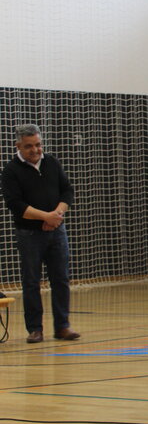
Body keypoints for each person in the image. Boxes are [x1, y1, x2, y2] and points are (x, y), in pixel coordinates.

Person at [2, 123, 78, 343]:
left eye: (38, 144)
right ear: (18, 146)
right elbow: (15, 204)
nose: (35, 150)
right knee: (31, 282)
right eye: (29, 146)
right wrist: (45, 217)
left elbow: (67, 191)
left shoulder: (52, 162)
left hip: (57, 230)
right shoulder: (11, 171)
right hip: (29, 235)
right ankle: (35, 329)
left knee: (61, 279)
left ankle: (62, 326)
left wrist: (56, 215)